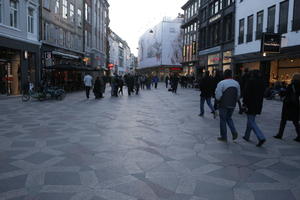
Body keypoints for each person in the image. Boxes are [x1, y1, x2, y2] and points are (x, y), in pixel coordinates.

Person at [242, 70, 266, 147]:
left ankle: (261, 137)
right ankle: (246, 136)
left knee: (251, 121)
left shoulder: (250, 81)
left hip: (250, 104)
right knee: (251, 119)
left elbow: (246, 94)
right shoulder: (262, 82)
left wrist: (244, 103)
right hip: (258, 104)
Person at [215, 69, 240, 142]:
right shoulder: (236, 83)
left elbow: (218, 95)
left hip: (223, 104)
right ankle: (234, 131)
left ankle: (224, 136)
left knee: (222, 120)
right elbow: (238, 95)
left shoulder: (222, 83)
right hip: (232, 104)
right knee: (229, 118)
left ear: (224, 75)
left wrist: (218, 100)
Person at [274, 74, 300, 142]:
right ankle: (299, 135)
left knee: (283, 120)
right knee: (295, 121)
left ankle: (280, 134)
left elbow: (285, 93)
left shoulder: (291, 85)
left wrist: (282, 92)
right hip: (296, 105)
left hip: (288, 105)